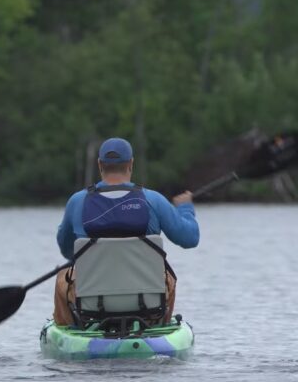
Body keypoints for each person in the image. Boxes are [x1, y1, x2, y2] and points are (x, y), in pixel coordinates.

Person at [53, 137, 199, 325]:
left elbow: (68, 251)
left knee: (62, 279)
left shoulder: (77, 202)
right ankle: (158, 325)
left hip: (91, 303)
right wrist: (185, 208)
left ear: (99, 165)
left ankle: (71, 329)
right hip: (147, 302)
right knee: (168, 277)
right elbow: (190, 238)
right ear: (131, 164)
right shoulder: (153, 200)